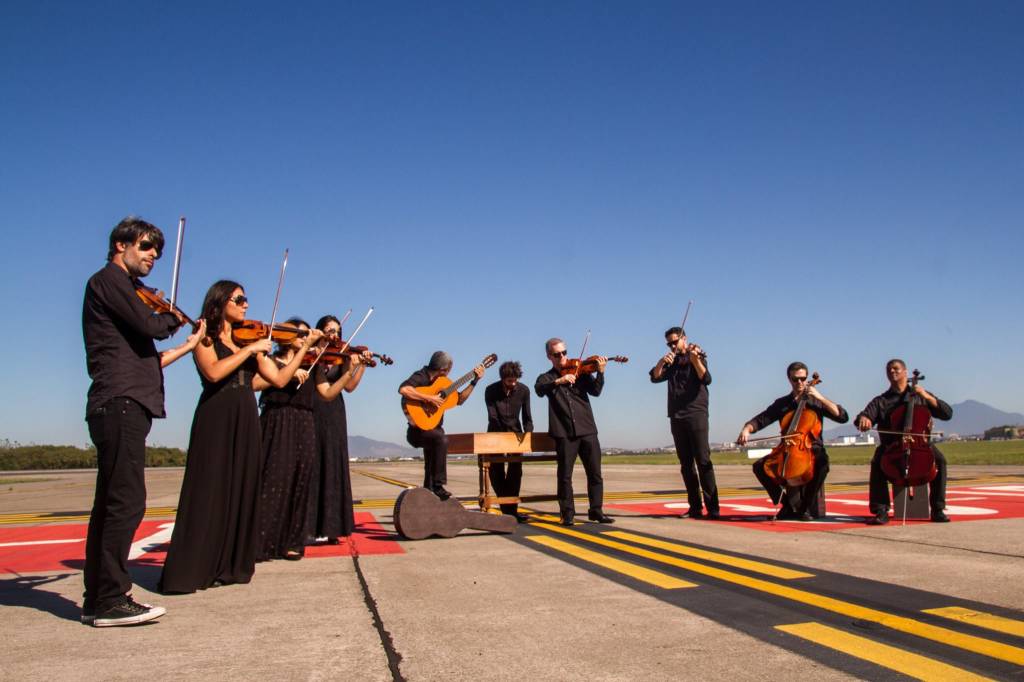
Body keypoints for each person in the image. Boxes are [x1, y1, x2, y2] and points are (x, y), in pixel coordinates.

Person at [81, 216, 203, 627]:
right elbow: (150, 325)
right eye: (146, 246)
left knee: (110, 505)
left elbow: (146, 352)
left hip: (121, 402)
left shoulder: (123, 289)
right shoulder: (110, 281)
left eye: (158, 251)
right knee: (126, 503)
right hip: (121, 403)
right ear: (121, 245)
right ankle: (111, 599)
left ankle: (97, 598)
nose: (153, 255)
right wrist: (172, 317)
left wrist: (187, 340)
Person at [159, 281, 308, 593]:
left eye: (246, 300)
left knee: (241, 486)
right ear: (220, 301)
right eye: (239, 299)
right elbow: (213, 372)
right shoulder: (206, 334)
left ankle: (229, 564)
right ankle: (193, 568)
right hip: (217, 414)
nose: (245, 305)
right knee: (209, 489)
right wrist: (249, 351)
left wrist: (303, 349)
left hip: (245, 414)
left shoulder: (247, 338)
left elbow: (279, 378)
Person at [736, 362, 848, 521]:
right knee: (759, 467)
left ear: (807, 378)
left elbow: (842, 417)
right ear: (789, 379)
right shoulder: (782, 404)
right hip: (787, 448)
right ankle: (786, 505)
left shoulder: (816, 401)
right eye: (795, 379)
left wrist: (820, 397)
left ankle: (805, 507)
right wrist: (747, 429)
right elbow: (762, 419)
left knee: (823, 464)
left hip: (812, 447)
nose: (800, 382)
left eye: (803, 378)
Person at [252, 318, 324, 560]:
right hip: (278, 418)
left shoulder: (311, 363)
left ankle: (292, 541)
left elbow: (327, 393)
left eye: (306, 334)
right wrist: (291, 373)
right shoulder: (271, 359)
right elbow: (255, 383)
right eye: (300, 334)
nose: (304, 338)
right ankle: (262, 541)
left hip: (304, 420)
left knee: (301, 478)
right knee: (274, 476)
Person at [856, 359, 953, 524]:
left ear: (905, 372)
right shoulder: (881, 401)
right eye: (889, 370)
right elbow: (862, 417)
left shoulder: (921, 396)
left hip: (920, 444)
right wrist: (864, 419)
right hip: (892, 446)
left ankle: (938, 509)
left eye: (896, 369)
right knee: (877, 462)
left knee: (940, 461)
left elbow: (947, 413)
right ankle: (881, 510)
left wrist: (926, 395)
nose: (892, 372)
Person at [305, 315, 371, 545]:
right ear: (320, 331)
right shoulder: (310, 353)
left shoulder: (341, 356)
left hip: (333, 412)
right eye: (329, 330)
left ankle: (332, 527)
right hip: (311, 407)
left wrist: (361, 365)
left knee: (332, 463)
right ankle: (309, 526)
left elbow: (349, 386)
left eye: (337, 331)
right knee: (313, 463)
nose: (334, 335)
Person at [535, 338, 613, 526]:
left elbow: (596, 391)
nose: (562, 357)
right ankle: (567, 513)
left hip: (587, 429)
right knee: (564, 476)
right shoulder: (546, 377)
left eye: (564, 352)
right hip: (564, 433)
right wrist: (558, 381)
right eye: (557, 354)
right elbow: (539, 390)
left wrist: (600, 372)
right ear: (549, 356)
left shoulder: (581, 373)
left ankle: (596, 511)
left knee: (595, 473)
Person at [649, 326, 719, 520]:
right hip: (676, 416)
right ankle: (695, 507)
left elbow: (706, 378)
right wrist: (662, 362)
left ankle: (713, 507)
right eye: (669, 344)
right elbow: (654, 377)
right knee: (686, 465)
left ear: (684, 339)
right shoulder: (671, 362)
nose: (672, 346)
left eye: (675, 341)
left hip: (696, 413)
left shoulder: (696, 355)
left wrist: (695, 359)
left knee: (703, 460)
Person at [399, 351, 485, 500]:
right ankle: (438, 485)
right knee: (441, 439)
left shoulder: (443, 383)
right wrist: (429, 398)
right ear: (444, 369)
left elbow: (459, 400)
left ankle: (428, 493)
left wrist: (474, 381)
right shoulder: (421, 376)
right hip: (416, 431)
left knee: (431, 461)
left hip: (432, 427)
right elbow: (403, 390)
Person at [483, 361, 534, 523]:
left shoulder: (524, 390)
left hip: (516, 435)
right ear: (502, 379)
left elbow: (527, 417)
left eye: (515, 380)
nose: (513, 383)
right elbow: (493, 416)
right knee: (495, 471)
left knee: (515, 472)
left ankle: (511, 511)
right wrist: (503, 437)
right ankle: (508, 510)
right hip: (495, 434)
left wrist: (528, 433)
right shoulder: (490, 390)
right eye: (510, 381)